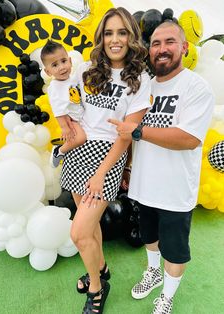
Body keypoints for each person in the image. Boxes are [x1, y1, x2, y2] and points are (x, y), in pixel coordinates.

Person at [109, 21, 214, 314]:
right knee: (149, 237)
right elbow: (127, 131)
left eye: (169, 42)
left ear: (184, 47)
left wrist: (138, 130)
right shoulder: (145, 86)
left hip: (175, 190)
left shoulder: (196, 87)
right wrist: (128, 166)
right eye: (156, 43)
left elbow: (188, 138)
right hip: (144, 185)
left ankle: (167, 296)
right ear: (149, 50)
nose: (162, 49)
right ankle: (153, 273)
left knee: (175, 249)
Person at [60, 7, 151, 314]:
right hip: (79, 150)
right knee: (92, 224)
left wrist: (102, 173)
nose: (115, 39)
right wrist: (68, 132)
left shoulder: (140, 79)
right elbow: (69, 102)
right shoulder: (86, 69)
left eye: (122, 32)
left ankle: (97, 289)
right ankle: (100, 268)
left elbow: (126, 134)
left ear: (131, 37)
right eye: (109, 32)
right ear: (101, 37)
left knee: (78, 232)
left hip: (107, 156)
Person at [41, 39, 86, 167]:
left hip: (80, 116)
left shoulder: (73, 79)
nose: (61, 67)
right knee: (80, 138)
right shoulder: (55, 86)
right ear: (48, 72)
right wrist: (64, 127)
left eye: (64, 61)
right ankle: (59, 151)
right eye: (55, 65)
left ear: (70, 61)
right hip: (70, 120)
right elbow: (58, 109)